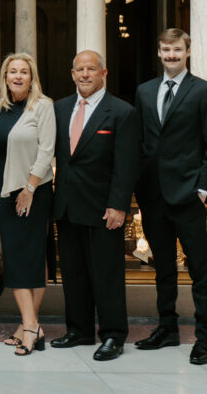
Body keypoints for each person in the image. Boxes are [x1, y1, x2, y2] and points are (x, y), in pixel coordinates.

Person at [133, 28, 207, 365]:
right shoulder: (144, 92)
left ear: (188, 52)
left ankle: (205, 338)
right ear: (159, 52)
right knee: (163, 268)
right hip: (153, 196)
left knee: (200, 269)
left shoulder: (204, 91)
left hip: (188, 196)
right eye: (166, 49)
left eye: (177, 50)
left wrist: (202, 190)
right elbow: (141, 142)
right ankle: (167, 328)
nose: (171, 55)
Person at [50, 50, 140, 361]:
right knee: (73, 273)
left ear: (103, 74)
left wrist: (118, 205)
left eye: (91, 69)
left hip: (104, 209)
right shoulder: (60, 108)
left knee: (107, 275)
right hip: (67, 206)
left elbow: (126, 165)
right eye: (79, 69)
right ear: (72, 74)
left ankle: (114, 335)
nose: (85, 74)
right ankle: (79, 330)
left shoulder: (122, 112)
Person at [0, 52, 55, 356]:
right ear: (5, 77)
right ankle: (30, 325)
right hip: (6, 194)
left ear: (32, 77)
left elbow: (47, 150)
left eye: (23, 72)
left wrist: (29, 188)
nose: (17, 76)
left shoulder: (43, 106)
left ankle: (28, 327)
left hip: (34, 193)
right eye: (12, 71)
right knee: (18, 260)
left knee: (28, 260)